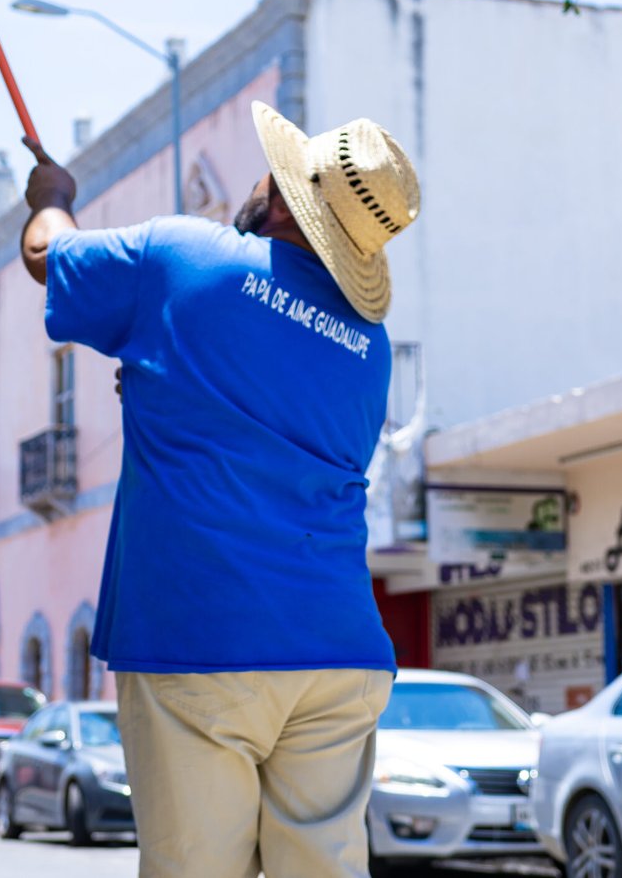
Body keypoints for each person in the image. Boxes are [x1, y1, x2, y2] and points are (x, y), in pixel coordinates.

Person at [21, 102, 422, 878]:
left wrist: (50, 193)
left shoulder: (182, 257)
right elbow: (267, 429)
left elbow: (48, 254)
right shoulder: (368, 349)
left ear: (280, 190)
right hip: (340, 652)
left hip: (200, 641)